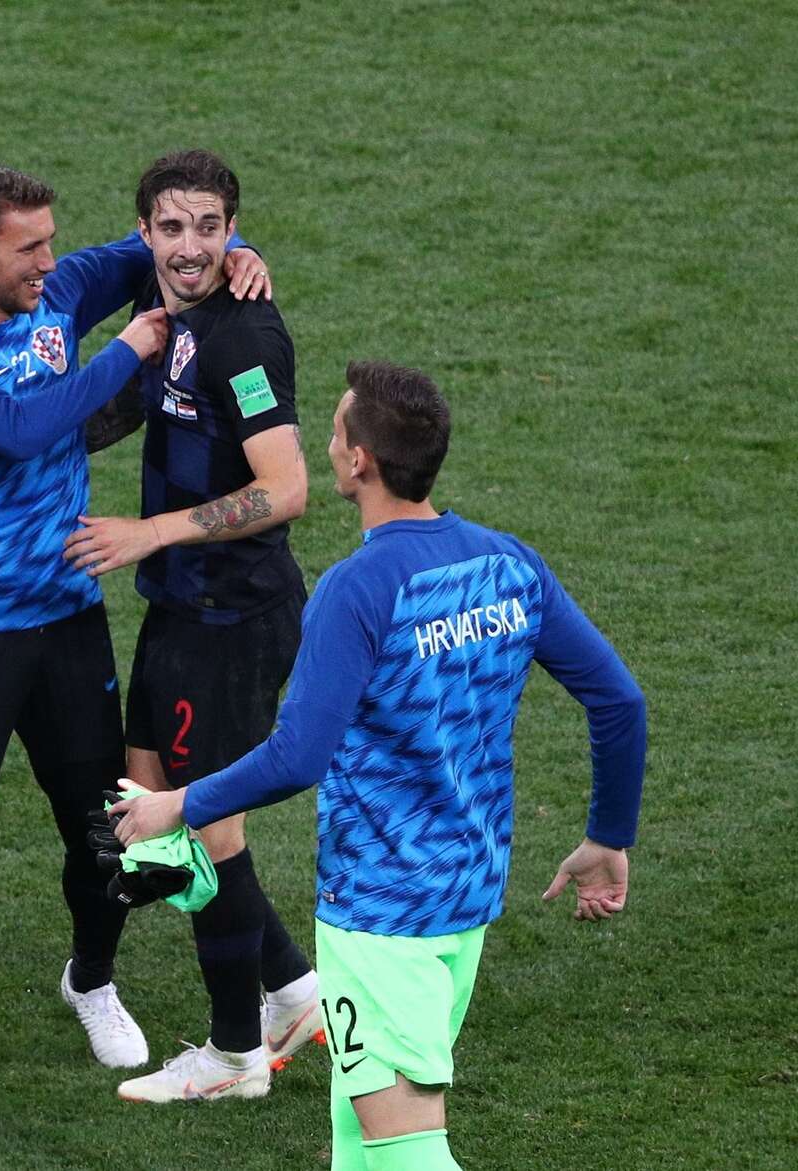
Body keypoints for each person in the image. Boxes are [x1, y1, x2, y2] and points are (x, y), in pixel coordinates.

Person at [108, 360, 645, 1169]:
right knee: (360, 1144)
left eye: (333, 431)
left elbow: (298, 755)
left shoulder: (357, 590)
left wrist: (176, 804)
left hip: (381, 915)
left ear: (359, 461)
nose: (324, 444)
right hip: (465, 896)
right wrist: (608, 834)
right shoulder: (509, 564)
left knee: (405, 1150)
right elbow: (619, 700)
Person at [0, 165, 269, 1127]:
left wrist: (233, 255)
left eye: (52, 242)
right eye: (29, 248)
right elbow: (20, 430)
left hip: (67, 617)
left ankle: (91, 978)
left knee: (106, 832)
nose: (50, 263)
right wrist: (126, 351)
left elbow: (167, 247)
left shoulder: (55, 289)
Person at [62, 149, 323, 1103]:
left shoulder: (243, 338)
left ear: (232, 229)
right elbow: (124, 410)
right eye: (172, 227)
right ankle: (292, 988)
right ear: (144, 233)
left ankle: (234, 1054)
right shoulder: (169, 306)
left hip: (234, 619)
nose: (190, 246)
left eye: (211, 228)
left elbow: (286, 488)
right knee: (145, 802)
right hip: (183, 608)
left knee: (203, 825)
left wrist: (151, 531)